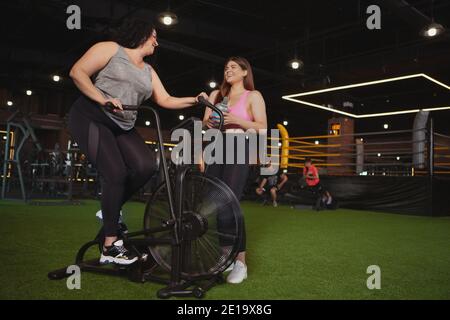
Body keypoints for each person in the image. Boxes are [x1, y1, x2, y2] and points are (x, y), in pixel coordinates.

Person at [68, 18, 208, 265]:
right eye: (154, 35)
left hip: (123, 124)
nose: (157, 41)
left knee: (146, 167)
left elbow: (165, 99)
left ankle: (109, 211)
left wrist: (195, 100)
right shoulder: (110, 49)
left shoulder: (148, 71)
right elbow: (77, 72)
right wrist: (103, 99)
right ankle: (110, 245)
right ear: (142, 33)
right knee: (116, 173)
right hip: (92, 116)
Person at [202, 57, 267, 284]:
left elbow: (262, 127)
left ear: (244, 72)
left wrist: (236, 119)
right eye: (226, 67)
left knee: (230, 203)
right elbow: (205, 123)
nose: (228, 70)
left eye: (233, 67)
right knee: (215, 201)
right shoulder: (216, 96)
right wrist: (209, 122)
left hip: (239, 146)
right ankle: (224, 257)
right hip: (216, 146)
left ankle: (240, 262)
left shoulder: (253, 96)